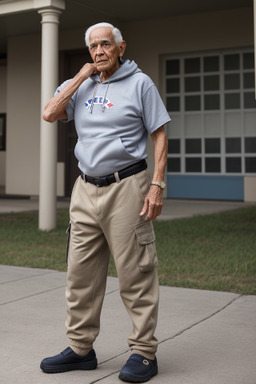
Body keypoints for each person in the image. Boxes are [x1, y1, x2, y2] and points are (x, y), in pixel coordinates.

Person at [40, 22, 170, 383]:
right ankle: (81, 349)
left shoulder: (140, 83)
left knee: (135, 272)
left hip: (127, 185)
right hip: (85, 188)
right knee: (79, 273)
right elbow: (50, 113)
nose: (99, 52)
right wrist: (81, 76)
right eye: (93, 47)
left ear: (121, 47)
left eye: (105, 45)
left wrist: (157, 183)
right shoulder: (79, 85)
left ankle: (144, 351)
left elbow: (159, 135)